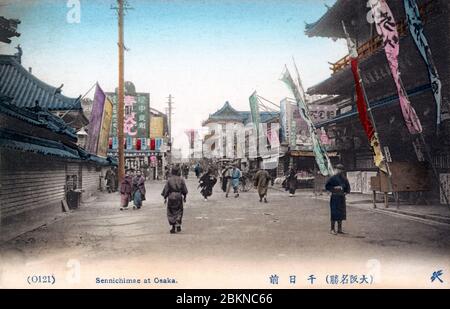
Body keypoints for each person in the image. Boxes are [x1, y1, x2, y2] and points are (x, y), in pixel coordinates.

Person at [161, 165, 188, 234]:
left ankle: (173, 226)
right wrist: (184, 197)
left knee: (171, 211)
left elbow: (166, 189)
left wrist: (165, 197)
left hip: (171, 196)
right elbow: (184, 189)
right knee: (179, 210)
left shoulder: (169, 179)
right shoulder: (181, 179)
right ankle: (178, 223)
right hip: (179, 196)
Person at [325, 164, 351, 235]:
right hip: (334, 197)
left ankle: (339, 229)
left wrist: (345, 192)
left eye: (341, 170)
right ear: (336, 170)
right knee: (334, 213)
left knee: (341, 213)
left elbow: (348, 187)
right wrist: (333, 189)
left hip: (341, 197)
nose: (339, 171)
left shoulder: (344, 179)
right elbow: (327, 186)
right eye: (338, 169)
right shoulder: (332, 178)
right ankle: (332, 229)